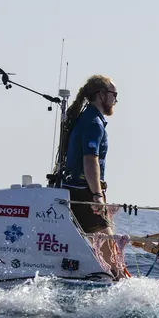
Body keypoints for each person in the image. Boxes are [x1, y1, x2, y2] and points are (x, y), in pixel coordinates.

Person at [59, 74, 125, 277]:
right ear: (101, 95)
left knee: (109, 251)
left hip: (75, 189)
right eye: (114, 94)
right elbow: (90, 160)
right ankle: (118, 286)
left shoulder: (85, 117)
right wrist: (97, 195)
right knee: (113, 258)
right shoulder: (94, 122)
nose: (116, 100)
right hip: (85, 193)